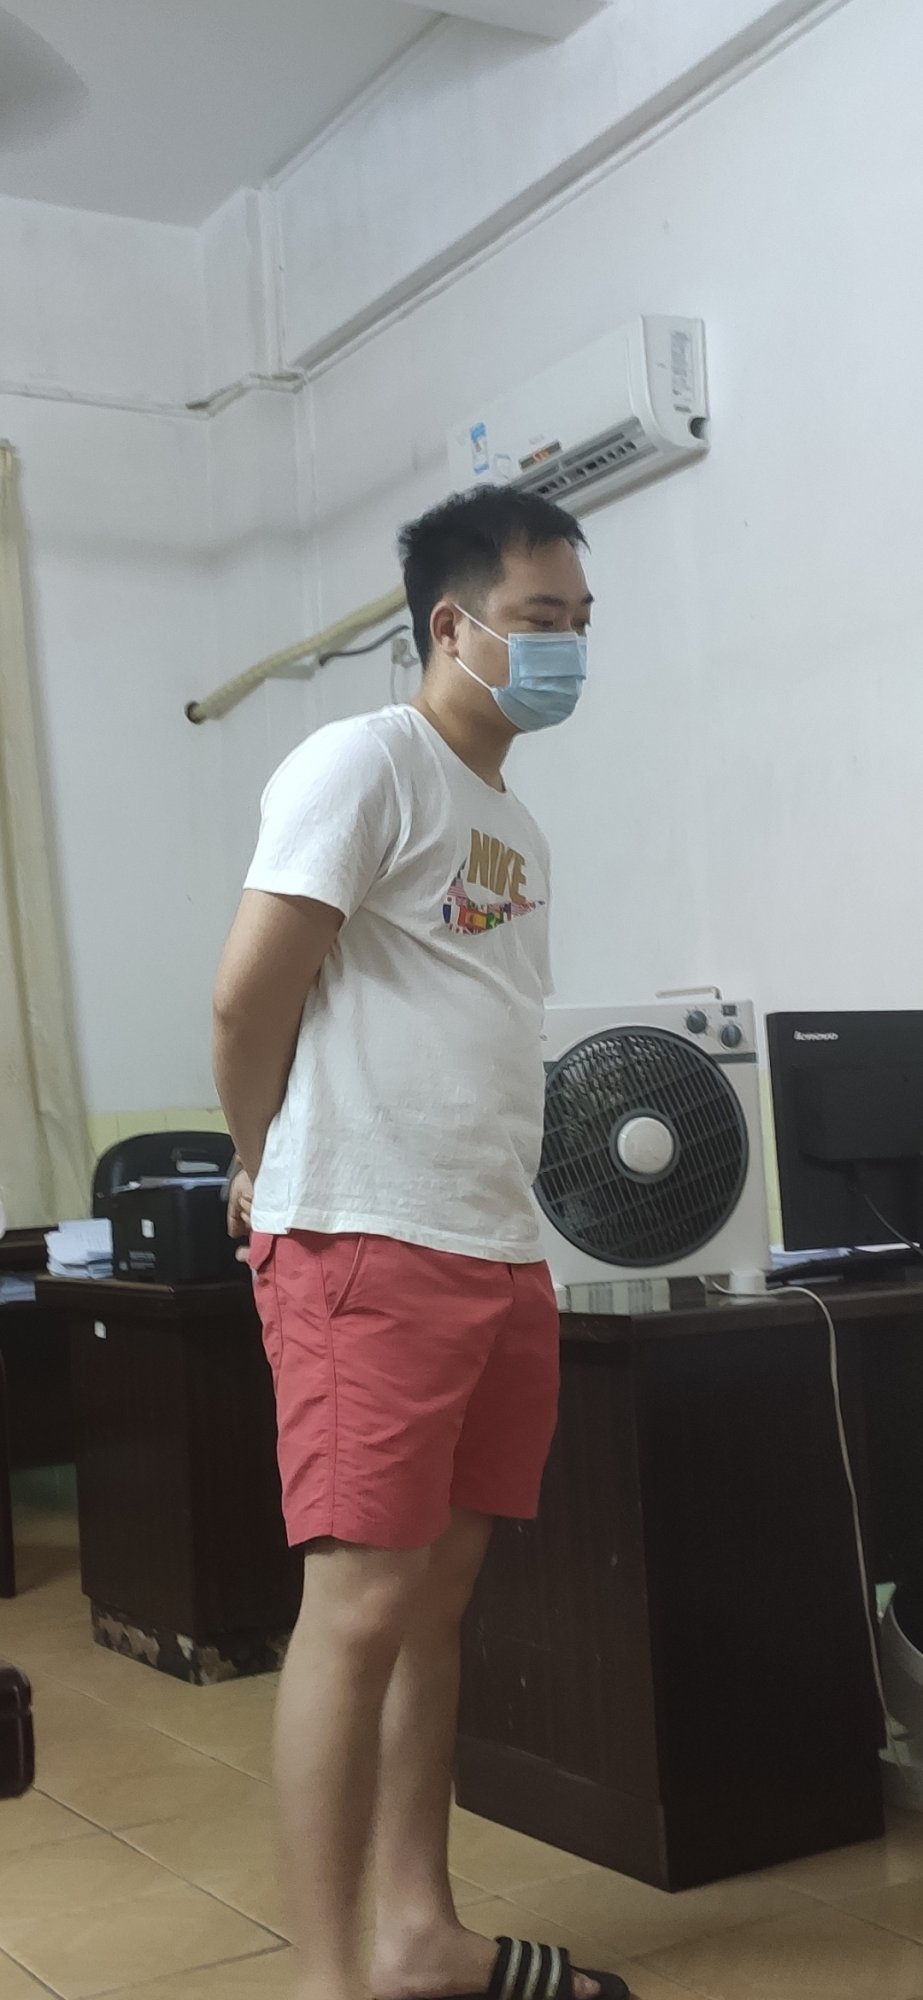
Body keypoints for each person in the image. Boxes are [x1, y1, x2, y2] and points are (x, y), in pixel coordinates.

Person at [213, 487, 626, 2000]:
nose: (565, 646)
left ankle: (415, 1936)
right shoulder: (366, 761)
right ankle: (332, 1981)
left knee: (435, 1607)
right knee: (359, 1610)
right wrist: (259, 1159)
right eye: (537, 620)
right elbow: (248, 996)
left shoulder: (512, 821)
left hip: (494, 1248)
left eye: (580, 622)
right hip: (365, 1239)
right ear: (451, 627)